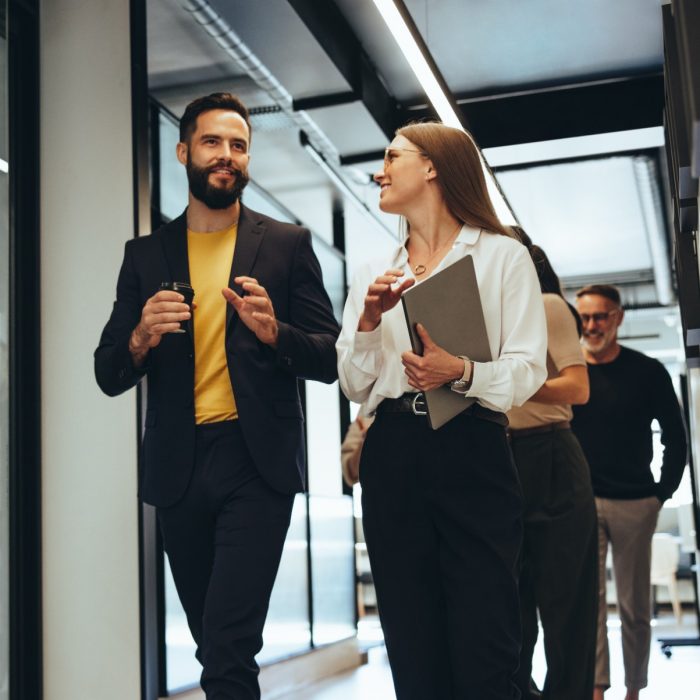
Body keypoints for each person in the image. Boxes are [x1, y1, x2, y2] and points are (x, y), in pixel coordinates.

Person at [94, 92, 339, 699]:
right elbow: (107, 371)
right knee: (213, 644)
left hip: (256, 464)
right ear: (183, 152)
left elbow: (329, 357)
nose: (227, 156)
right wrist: (141, 336)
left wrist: (273, 331)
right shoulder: (144, 256)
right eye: (212, 142)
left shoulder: (286, 245)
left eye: (238, 145)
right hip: (178, 467)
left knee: (229, 645)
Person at [337, 121, 548, 700]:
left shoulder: (504, 257)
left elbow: (529, 370)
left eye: (392, 157)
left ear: (432, 167)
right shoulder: (374, 271)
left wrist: (461, 372)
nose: (380, 170)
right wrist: (368, 323)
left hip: (471, 445)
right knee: (410, 638)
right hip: (393, 453)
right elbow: (355, 385)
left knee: (486, 639)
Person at [571, 284, 687, 700]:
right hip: (582, 504)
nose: (591, 325)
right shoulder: (569, 373)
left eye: (600, 316)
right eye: (584, 317)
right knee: (591, 606)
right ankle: (597, 688)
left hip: (636, 502)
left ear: (618, 318)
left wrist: (661, 494)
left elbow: (677, 437)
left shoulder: (647, 371)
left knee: (635, 608)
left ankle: (634, 689)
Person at [507, 230, 597, 700]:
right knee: (509, 611)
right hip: (502, 461)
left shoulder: (546, 305)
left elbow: (577, 389)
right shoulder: (490, 316)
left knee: (567, 609)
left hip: (550, 456)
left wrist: (511, 383)